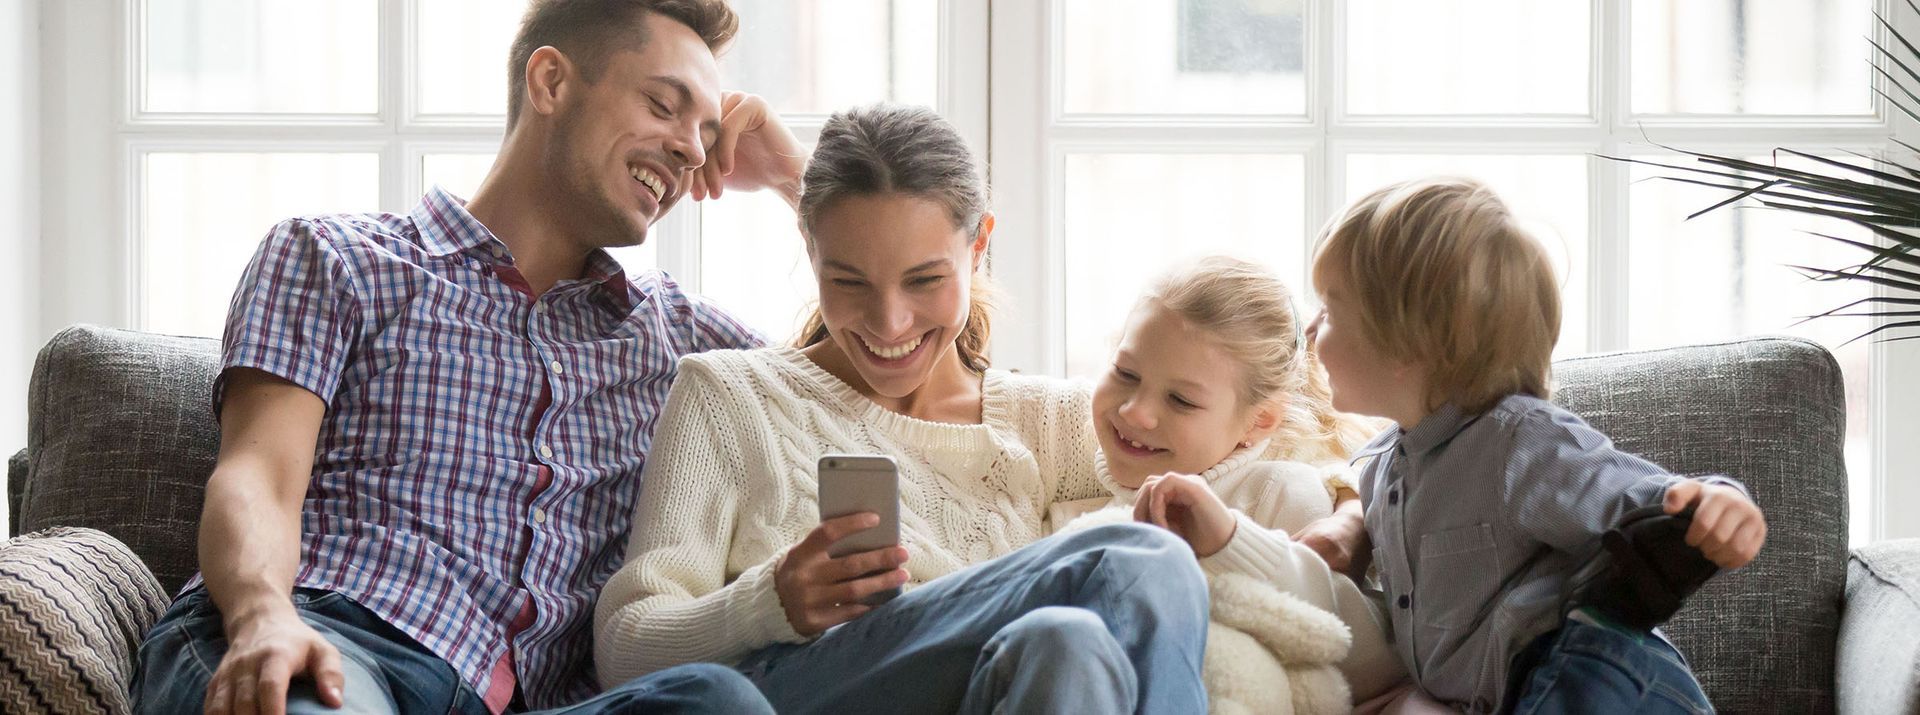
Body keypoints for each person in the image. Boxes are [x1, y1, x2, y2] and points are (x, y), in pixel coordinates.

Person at [131, 1, 802, 712]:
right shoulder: (337, 258)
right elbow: (257, 477)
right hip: (334, 639)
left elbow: (897, 364)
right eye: (665, 106)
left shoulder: (677, 338)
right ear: (550, 82)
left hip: (539, 701)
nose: (694, 151)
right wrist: (264, 614)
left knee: (717, 701)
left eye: (706, 134)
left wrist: (800, 182)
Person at [593, 103, 1212, 714]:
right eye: (850, 282)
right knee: (1139, 558)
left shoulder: (1055, 423)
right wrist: (768, 603)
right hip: (804, 693)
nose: (890, 323)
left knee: (1066, 642)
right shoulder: (731, 397)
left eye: (924, 281)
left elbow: (1240, 456)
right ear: (810, 251)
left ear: (978, 248)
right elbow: (623, 648)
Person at [1306, 176, 1770, 714]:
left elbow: (1642, 498)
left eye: (1331, 310)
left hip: (1605, 684)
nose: (1313, 327)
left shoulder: (1516, 441)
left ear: (1406, 343)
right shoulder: (1381, 471)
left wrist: (1718, 501)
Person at [1055, 255, 1406, 705]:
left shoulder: (1281, 492)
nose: (1134, 411)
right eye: (1125, 373)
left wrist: (1231, 547)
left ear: (1258, 422)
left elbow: (1363, 653)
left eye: (1181, 400)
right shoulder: (1084, 509)